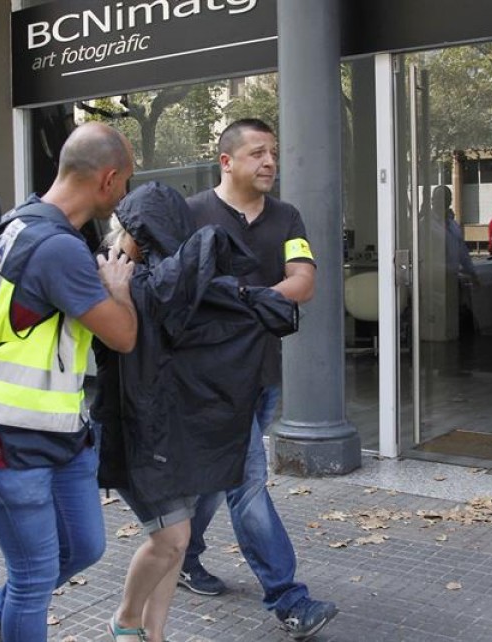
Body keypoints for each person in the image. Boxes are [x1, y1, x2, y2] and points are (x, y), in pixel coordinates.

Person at [0, 121, 138, 642]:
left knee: (85, 546)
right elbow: (122, 336)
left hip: (56, 432)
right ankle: (11, 611)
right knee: (33, 577)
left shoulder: (21, 221)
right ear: (108, 178)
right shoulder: (57, 248)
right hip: (2, 439)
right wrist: (119, 285)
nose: (124, 196)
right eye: (126, 184)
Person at [94, 182, 299, 642]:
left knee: (175, 541)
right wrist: (120, 294)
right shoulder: (109, 275)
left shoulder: (174, 281)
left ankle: (155, 633)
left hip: (169, 429)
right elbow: (119, 343)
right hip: (134, 431)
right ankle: (126, 621)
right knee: (172, 539)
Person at [181, 119, 337, 640]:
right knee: (247, 482)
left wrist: (242, 298)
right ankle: (289, 599)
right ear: (227, 161)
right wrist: (262, 299)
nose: (270, 162)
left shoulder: (287, 217)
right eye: (257, 153)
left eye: (273, 152)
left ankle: (181, 554)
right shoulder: (192, 215)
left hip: (264, 372)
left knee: (213, 480)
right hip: (208, 380)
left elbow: (305, 282)